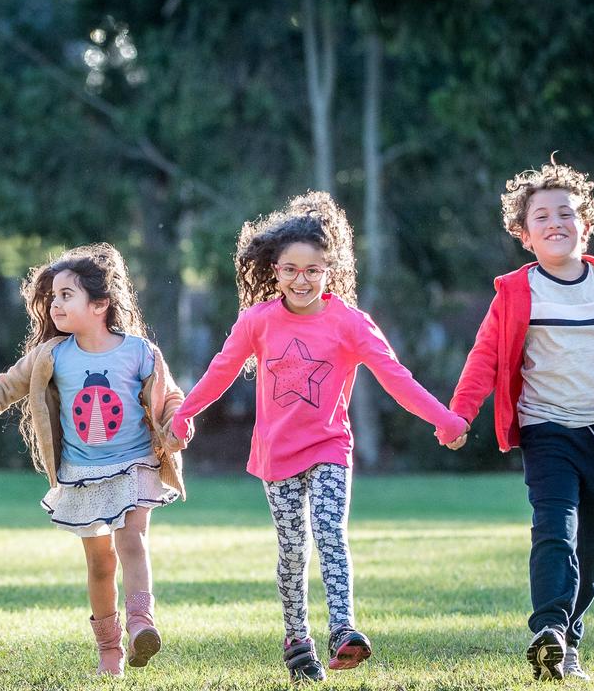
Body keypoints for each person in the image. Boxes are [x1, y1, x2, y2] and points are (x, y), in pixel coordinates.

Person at [167, 192, 469, 683]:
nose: (301, 279)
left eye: (313, 269)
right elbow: (220, 372)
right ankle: (297, 637)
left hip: (330, 446)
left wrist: (444, 419)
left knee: (330, 533)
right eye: (290, 269)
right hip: (276, 453)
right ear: (274, 270)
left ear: (331, 269)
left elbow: (397, 378)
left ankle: (344, 631)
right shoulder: (257, 321)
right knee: (292, 549)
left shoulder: (349, 323)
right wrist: (185, 414)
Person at [448, 159, 594, 681]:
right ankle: (548, 627)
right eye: (542, 216)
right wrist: (459, 415)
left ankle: (568, 637)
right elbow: (484, 359)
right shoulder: (513, 292)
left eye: (566, 213)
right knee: (554, 528)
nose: (556, 222)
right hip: (545, 429)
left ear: (586, 225)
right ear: (524, 234)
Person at [0, 243, 185, 678]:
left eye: (66, 295)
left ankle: (141, 625)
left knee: (131, 541)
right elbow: (6, 385)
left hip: (134, 463)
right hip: (82, 473)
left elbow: (169, 398)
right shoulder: (51, 355)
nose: (55, 304)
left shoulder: (139, 351)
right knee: (100, 563)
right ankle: (110, 651)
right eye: (53, 296)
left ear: (100, 304)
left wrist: (176, 425)